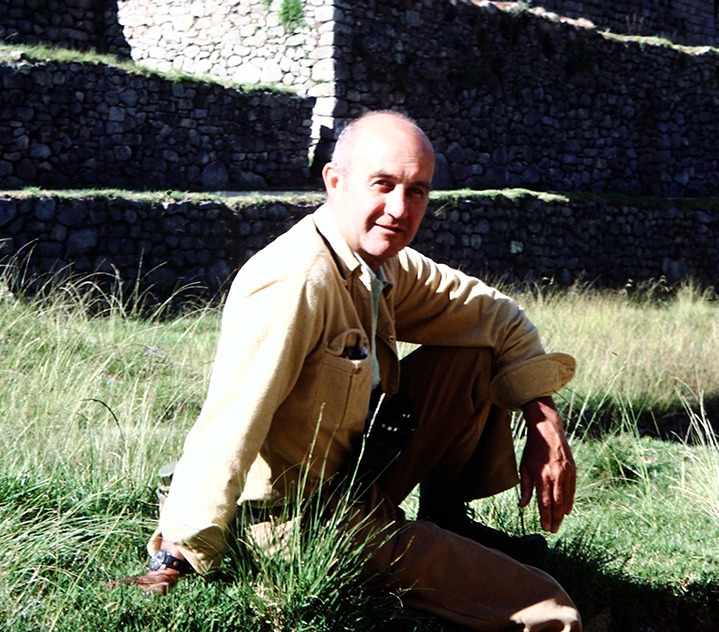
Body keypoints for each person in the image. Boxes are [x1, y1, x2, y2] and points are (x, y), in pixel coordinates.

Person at [127, 110, 581, 631]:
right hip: (301, 522)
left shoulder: (383, 263)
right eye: (383, 185)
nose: (398, 209)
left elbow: (497, 315)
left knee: (472, 355)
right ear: (335, 182)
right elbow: (228, 426)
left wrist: (544, 419)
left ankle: (450, 519)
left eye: (416, 192)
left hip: (362, 478)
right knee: (552, 607)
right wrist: (175, 556)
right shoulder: (296, 281)